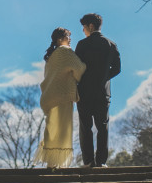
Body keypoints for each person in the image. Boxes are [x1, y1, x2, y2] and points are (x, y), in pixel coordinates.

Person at [34, 27, 87, 169]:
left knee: (52, 130)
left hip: (49, 96)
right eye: (67, 36)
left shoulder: (51, 56)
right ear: (59, 39)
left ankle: (51, 163)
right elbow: (79, 70)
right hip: (62, 95)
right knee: (63, 130)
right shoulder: (65, 52)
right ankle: (61, 165)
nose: (70, 39)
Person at [74, 13, 121, 168]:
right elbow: (117, 69)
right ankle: (101, 162)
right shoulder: (111, 44)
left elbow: (76, 69)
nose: (83, 30)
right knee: (103, 127)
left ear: (91, 26)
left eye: (84, 27)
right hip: (103, 92)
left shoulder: (81, 45)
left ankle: (88, 162)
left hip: (84, 93)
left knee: (85, 127)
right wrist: (103, 77)